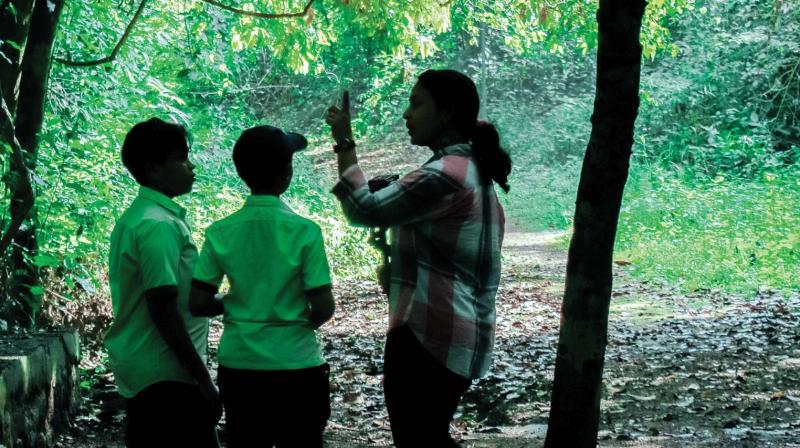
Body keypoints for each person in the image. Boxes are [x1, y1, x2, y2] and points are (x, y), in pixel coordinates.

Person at [325, 69, 510, 447]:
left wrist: (344, 141)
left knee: (418, 439)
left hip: (429, 335)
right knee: (428, 436)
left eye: (416, 103)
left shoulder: (442, 174)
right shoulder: (473, 169)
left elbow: (363, 208)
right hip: (461, 332)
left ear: (446, 113)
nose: (407, 114)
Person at [189, 125, 335, 448]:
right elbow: (324, 307)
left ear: (242, 173)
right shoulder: (305, 232)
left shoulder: (220, 232)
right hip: (297, 366)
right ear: (288, 173)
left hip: (241, 366)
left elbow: (198, 302)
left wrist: (234, 302)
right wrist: (295, 322)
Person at [105, 117, 220, 448]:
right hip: (166, 374)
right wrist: (201, 379)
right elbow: (162, 306)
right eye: (181, 158)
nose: (191, 165)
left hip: (151, 369)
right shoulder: (158, 226)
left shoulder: (140, 217)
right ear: (154, 168)